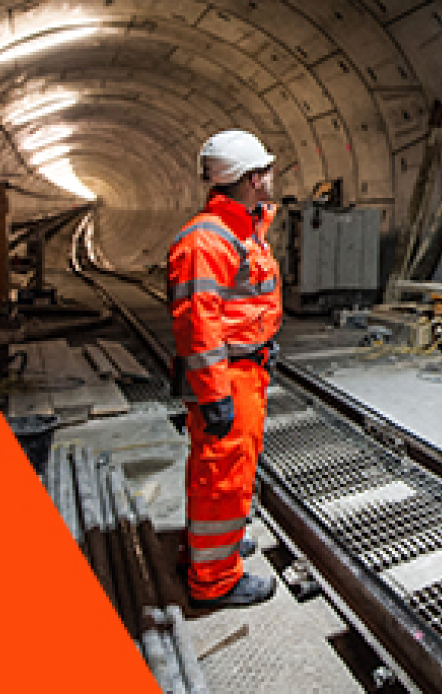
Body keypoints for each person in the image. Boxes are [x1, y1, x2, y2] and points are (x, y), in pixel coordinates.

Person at [167, 129, 283, 608]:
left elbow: (243, 305)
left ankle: (213, 551)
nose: (274, 176)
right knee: (222, 476)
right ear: (251, 180)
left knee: (233, 471)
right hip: (226, 379)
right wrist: (214, 396)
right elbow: (199, 326)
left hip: (246, 372)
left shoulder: (244, 229)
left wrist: (263, 343)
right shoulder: (205, 241)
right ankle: (214, 581)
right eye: (267, 169)